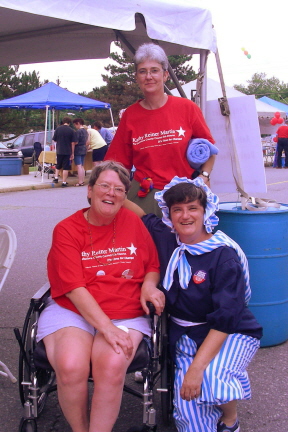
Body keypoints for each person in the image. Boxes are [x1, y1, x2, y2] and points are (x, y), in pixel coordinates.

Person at [125, 176, 263, 432]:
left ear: (206, 211)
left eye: (192, 208)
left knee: (212, 377)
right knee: (189, 418)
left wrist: (196, 369)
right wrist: (112, 193)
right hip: (185, 336)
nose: (185, 216)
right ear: (169, 213)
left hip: (231, 332)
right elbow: (142, 214)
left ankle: (230, 420)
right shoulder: (168, 238)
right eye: (177, 209)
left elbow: (226, 318)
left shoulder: (223, 255)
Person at [36, 161, 164, 432]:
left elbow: (152, 265)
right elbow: (73, 287)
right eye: (104, 186)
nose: (111, 193)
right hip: (73, 308)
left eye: (119, 189)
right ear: (90, 191)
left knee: (112, 362)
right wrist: (106, 327)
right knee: (70, 366)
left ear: (124, 197)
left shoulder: (133, 222)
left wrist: (149, 286)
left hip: (124, 307)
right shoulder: (67, 229)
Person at [105, 43, 216, 216]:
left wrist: (204, 176)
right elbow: (118, 164)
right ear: (137, 77)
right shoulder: (130, 115)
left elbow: (210, 149)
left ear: (165, 75)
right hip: (145, 196)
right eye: (143, 71)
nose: (148, 76)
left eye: (154, 70)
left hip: (184, 195)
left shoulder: (187, 108)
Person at [52, 116, 77, 187]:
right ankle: (64, 182)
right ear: (69, 123)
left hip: (59, 150)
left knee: (58, 165)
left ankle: (56, 177)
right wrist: (72, 153)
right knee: (66, 167)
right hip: (67, 151)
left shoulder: (58, 129)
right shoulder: (71, 130)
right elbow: (73, 143)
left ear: (63, 122)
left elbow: (55, 140)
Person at [72, 118, 89, 186]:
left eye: (75, 125)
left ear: (78, 123)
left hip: (78, 149)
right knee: (82, 166)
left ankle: (80, 181)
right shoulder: (85, 131)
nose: (75, 126)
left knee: (78, 166)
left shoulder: (78, 132)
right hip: (84, 148)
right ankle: (82, 180)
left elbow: (76, 142)